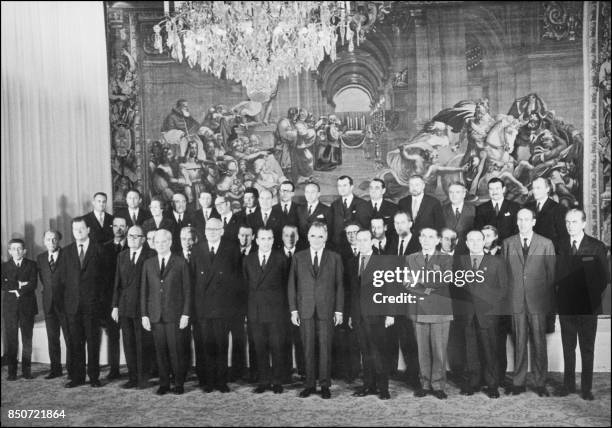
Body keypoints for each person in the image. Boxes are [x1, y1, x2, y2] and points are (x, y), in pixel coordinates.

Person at [555, 209, 609, 400]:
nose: (570, 225)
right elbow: (555, 276)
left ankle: (586, 388)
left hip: (587, 306)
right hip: (566, 307)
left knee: (587, 348)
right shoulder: (560, 245)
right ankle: (568, 386)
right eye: (568, 221)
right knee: (568, 348)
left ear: (584, 223)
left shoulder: (596, 246)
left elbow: (603, 278)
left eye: (575, 222)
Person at [503, 208, 555, 397]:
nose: (523, 223)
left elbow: (551, 276)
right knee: (519, 342)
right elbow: (504, 275)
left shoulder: (546, 243)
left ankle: (540, 382)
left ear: (533, 222)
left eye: (527, 219)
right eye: (520, 219)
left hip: (538, 302)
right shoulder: (508, 243)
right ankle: (518, 382)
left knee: (539, 343)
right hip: (515, 301)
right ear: (516, 222)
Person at [288, 222, 344, 399]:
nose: (316, 239)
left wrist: (339, 311)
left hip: (326, 310)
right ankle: (309, 384)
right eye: (313, 235)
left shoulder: (335, 257)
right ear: (307, 237)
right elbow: (292, 285)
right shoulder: (298, 257)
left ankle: (325, 385)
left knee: (325, 348)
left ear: (326, 237)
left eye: (320, 236)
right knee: (308, 348)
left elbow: (340, 286)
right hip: (305, 310)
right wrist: (293, 310)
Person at [474, 177, 520, 384]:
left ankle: (500, 376)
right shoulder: (481, 209)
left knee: (500, 336)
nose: (493, 191)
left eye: (496, 188)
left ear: (503, 189)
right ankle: (486, 376)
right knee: (484, 338)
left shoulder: (514, 207)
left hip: (505, 269)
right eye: (490, 189)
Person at [191, 218, 242, 393]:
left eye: (215, 229)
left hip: (223, 306)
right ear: (204, 231)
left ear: (222, 230)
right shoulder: (197, 250)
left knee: (221, 345)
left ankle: (221, 381)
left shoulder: (232, 249)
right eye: (208, 229)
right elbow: (193, 280)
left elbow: (237, 280)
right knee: (207, 345)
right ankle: (209, 381)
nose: (211, 231)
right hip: (203, 307)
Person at [456, 230, 508, 398]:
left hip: (488, 314)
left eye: (479, 240)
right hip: (467, 314)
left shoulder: (496, 262)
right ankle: (473, 382)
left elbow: (503, 289)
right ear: (466, 243)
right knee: (470, 350)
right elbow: (454, 289)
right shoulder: (459, 262)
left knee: (490, 349)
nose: (476, 243)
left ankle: (492, 385)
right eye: (472, 240)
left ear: (484, 241)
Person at [140, 229, 191, 395]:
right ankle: (164, 384)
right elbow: (144, 291)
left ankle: (178, 383)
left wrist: (185, 314)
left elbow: (187, 290)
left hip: (175, 315)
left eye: (163, 242)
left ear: (170, 242)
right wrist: (144, 315)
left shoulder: (181, 262)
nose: (160, 245)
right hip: (155, 315)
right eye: (157, 242)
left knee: (176, 350)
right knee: (160, 351)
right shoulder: (148, 263)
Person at [407, 228, 454, 400]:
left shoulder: (446, 258)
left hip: (440, 311)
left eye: (431, 237)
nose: (426, 240)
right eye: (423, 236)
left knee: (439, 350)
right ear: (419, 239)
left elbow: (444, 280)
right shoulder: (411, 258)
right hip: (419, 311)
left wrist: (420, 281)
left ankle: (438, 385)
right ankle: (425, 384)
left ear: (438, 240)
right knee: (423, 350)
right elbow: (406, 282)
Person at [348, 229, 395, 400]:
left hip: (378, 316)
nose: (361, 243)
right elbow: (352, 292)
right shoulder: (352, 262)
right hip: (359, 316)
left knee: (379, 352)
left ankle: (383, 388)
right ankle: (368, 386)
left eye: (365, 240)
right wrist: (352, 315)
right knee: (365, 352)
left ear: (372, 242)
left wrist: (391, 314)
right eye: (358, 240)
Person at [59, 217, 105, 388]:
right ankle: (77, 377)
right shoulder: (66, 252)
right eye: (75, 229)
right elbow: (62, 280)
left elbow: (104, 280)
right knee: (75, 342)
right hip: (73, 306)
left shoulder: (99, 250)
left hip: (92, 306)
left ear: (88, 230)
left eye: (81, 228)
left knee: (93, 342)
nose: (78, 232)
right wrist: (65, 305)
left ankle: (94, 377)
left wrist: (100, 303)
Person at [242, 227, 288, 394]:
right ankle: (263, 381)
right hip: (255, 311)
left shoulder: (281, 259)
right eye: (263, 238)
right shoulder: (248, 259)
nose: (266, 242)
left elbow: (285, 285)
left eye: (269, 238)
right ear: (256, 240)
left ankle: (277, 381)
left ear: (273, 240)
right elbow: (246, 287)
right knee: (259, 347)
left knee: (276, 347)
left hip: (276, 311)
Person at [111, 225, 155, 389]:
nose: (132, 239)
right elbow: (117, 283)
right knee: (128, 343)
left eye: (136, 236)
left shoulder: (151, 255)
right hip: (125, 307)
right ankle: (132, 377)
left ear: (143, 239)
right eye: (130, 236)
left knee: (142, 344)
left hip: (143, 308)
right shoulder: (121, 256)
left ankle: (143, 378)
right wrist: (115, 305)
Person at [385, 211, 420, 385]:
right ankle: (406, 373)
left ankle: (415, 377)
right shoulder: (393, 243)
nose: (399, 226)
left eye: (402, 222)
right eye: (396, 223)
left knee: (411, 340)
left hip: (412, 300)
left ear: (410, 223)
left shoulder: (418, 243)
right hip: (395, 299)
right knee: (398, 337)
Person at [2, 239, 38, 380]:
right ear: (9, 251)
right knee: (12, 340)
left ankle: (26, 370)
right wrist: (20, 284)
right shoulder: (4, 266)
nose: (16, 251)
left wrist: (15, 289)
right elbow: (3, 285)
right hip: (10, 308)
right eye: (13, 249)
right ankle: (12, 372)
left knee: (27, 339)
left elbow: (33, 284)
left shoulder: (32, 265)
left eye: (19, 249)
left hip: (27, 306)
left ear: (24, 251)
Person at [37, 230, 71, 379]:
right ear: (44, 241)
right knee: (52, 338)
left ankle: (72, 369)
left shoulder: (68, 255)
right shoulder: (41, 258)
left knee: (70, 338)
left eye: (54, 239)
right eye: (48, 239)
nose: (51, 242)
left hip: (65, 304)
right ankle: (55, 369)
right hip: (48, 304)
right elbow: (44, 280)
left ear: (59, 241)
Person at [101, 217, 128, 380]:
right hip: (111, 300)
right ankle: (114, 369)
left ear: (127, 228)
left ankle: (137, 368)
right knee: (113, 336)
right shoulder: (104, 248)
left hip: (129, 299)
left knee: (131, 336)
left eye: (122, 226)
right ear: (112, 228)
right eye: (116, 226)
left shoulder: (133, 246)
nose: (119, 229)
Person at [524, 177, 567, 252]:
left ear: (547, 189)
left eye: (538, 188)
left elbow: (562, 237)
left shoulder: (558, 209)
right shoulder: (526, 207)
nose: (534, 191)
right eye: (533, 188)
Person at [330, 176, 369, 248]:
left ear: (351, 187)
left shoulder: (362, 204)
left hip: (357, 246)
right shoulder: (334, 205)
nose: (342, 188)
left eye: (345, 185)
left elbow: (365, 226)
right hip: (338, 247)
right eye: (339, 186)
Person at [442, 181, 475, 255]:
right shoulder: (441, 210)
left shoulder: (474, 209)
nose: (454, 195)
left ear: (464, 194)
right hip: (448, 252)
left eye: (457, 192)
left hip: (468, 252)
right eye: (451, 192)